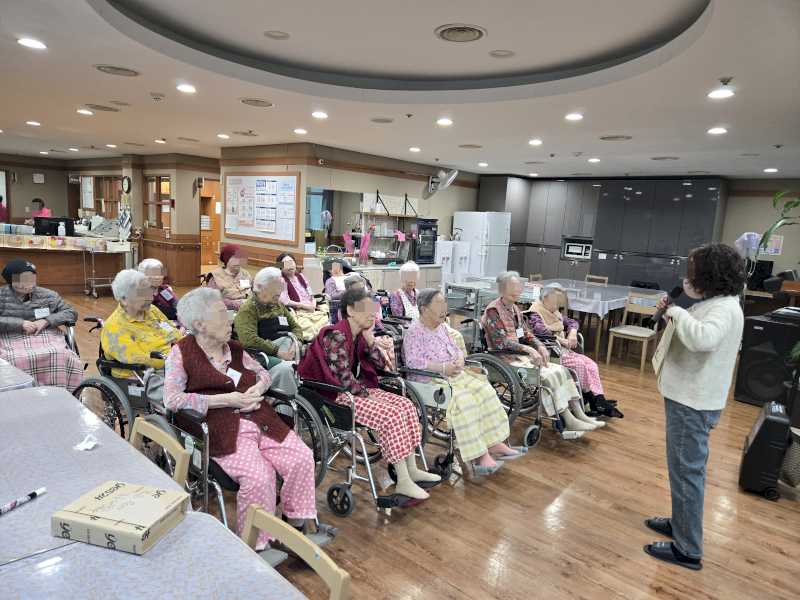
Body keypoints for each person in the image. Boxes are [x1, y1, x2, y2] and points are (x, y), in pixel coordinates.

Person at [164, 287, 321, 551]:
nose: (230, 320)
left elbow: (263, 374)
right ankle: (256, 542)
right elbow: (172, 399)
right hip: (221, 429)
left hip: (260, 418)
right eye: (222, 315)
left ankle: (293, 526)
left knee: (302, 457)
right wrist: (227, 400)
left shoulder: (234, 348)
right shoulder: (181, 353)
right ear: (200, 324)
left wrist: (257, 389)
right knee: (260, 477)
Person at [644, 244, 745, 571]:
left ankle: (688, 549)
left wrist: (677, 313)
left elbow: (702, 339)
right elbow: (692, 335)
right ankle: (681, 524)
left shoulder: (725, 309)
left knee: (687, 473)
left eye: (694, 272)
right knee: (682, 469)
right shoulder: (715, 303)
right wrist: (672, 314)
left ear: (711, 276)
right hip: (688, 399)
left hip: (693, 404)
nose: (688, 279)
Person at [298, 287, 439, 500]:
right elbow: (342, 379)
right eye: (366, 308)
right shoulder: (335, 335)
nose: (373, 313)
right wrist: (366, 394)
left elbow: (383, 365)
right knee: (391, 415)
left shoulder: (359, 335)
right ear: (350, 310)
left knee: (407, 405)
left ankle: (412, 469)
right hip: (333, 395)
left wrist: (371, 340)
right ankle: (403, 481)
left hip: (355, 389)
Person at [404, 289, 525, 476]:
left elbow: (456, 349)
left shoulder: (442, 327)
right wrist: (443, 368)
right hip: (430, 381)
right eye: (439, 304)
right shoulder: (414, 332)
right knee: (465, 401)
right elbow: (413, 362)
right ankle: (479, 456)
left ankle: (493, 443)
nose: (444, 308)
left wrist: (460, 360)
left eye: (444, 303)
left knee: (485, 390)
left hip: (453, 375)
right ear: (424, 309)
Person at [481, 271, 604, 439]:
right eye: (512, 287)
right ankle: (568, 419)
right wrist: (529, 350)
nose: (517, 290)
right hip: (503, 358)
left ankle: (579, 414)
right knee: (546, 376)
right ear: (502, 289)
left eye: (518, 287)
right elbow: (501, 342)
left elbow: (526, 333)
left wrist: (539, 345)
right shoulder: (493, 311)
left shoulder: (514, 309)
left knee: (561, 370)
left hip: (519, 355)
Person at [527, 283, 623, 419]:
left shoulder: (553, 312)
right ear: (545, 299)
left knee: (591, 364)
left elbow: (572, 322)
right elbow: (540, 331)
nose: (557, 306)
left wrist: (572, 333)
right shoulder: (535, 312)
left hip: (564, 351)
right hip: (551, 351)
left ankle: (598, 399)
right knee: (580, 365)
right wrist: (562, 340)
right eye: (554, 302)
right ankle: (588, 401)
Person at [0, 259, 82, 390]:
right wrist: (19, 324)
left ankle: (60, 392)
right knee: (11, 359)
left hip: (44, 334)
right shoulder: (2, 296)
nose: (29, 283)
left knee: (60, 353)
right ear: (11, 281)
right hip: (10, 337)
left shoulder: (47, 295)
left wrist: (46, 321)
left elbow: (71, 312)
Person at [101, 269, 182, 379]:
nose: (150, 297)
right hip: (143, 377)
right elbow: (140, 359)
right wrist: (176, 360)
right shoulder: (114, 327)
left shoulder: (151, 310)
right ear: (124, 299)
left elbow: (173, 332)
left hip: (171, 365)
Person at [232, 267, 301, 397]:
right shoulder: (248, 309)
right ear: (262, 289)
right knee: (288, 369)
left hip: (287, 348)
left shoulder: (278, 305)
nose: (279, 293)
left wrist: (296, 343)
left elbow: (296, 327)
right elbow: (249, 340)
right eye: (276, 291)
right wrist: (277, 351)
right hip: (260, 354)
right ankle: (290, 402)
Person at [277, 252, 328, 341]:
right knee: (310, 328)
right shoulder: (281, 280)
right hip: (299, 311)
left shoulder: (301, 276)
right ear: (280, 267)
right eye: (286, 263)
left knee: (327, 319)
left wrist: (313, 303)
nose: (290, 265)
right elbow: (285, 301)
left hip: (311, 307)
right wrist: (304, 306)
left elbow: (310, 292)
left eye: (291, 262)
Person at [208, 244, 253, 310]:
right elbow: (213, 300)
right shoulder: (216, 277)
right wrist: (236, 304)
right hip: (226, 311)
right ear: (226, 259)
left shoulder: (245, 274)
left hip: (248, 309)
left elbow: (253, 291)